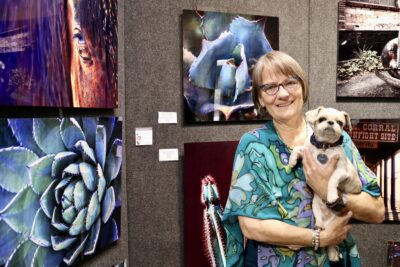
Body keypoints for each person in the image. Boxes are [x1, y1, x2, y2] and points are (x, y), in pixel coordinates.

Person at [222, 51, 385, 267]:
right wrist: (320, 238)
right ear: (260, 99)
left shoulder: (338, 139)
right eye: (270, 87)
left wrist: (331, 194)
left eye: (290, 82)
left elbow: (377, 212)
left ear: (302, 87)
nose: (282, 94)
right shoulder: (253, 146)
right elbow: (252, 227)